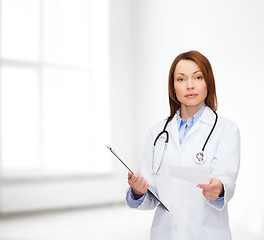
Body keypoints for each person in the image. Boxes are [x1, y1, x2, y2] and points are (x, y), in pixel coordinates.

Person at [126, 50, 240, 239]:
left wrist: (218, 188)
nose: (189, 85)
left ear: (208, 83)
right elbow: (152, 194)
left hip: (206, 232)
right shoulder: (157, 133)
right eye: (181, 79)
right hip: (165, 233)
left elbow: (226, 179)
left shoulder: (226, 129)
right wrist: (138, 192)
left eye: (197, 77)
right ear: (173, 87)